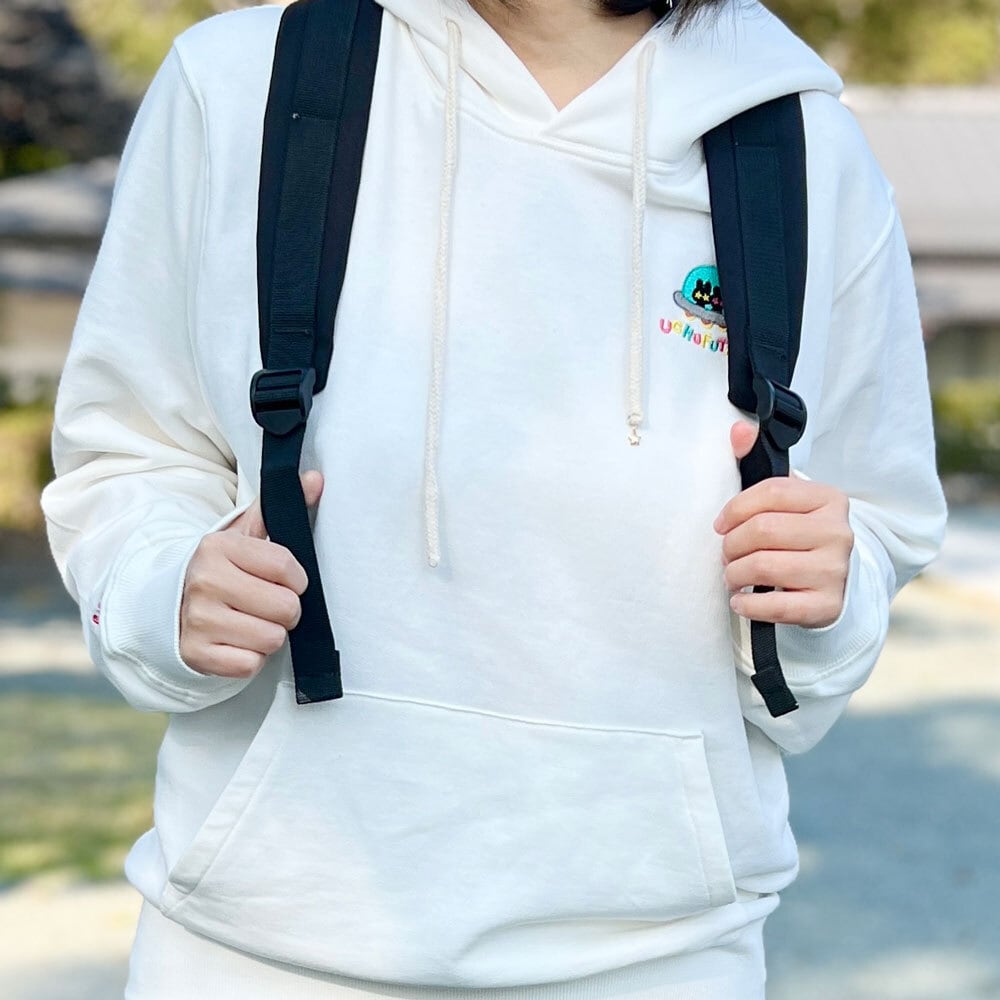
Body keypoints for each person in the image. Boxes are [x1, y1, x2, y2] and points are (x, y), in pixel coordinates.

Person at [41, 0, 947, 997]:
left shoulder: (800, 144)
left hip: (658, 956)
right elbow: (129, 451)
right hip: (257, 947)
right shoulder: (242, 81)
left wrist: (823, 591)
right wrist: (166, 587)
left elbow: (875, 520)